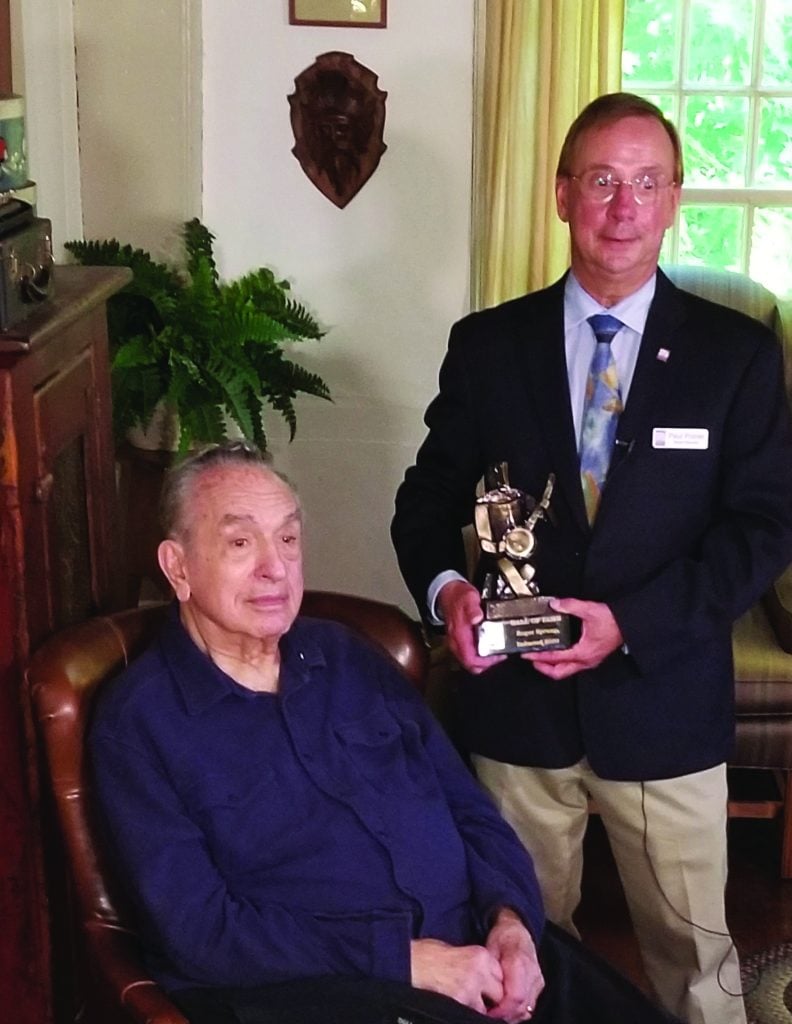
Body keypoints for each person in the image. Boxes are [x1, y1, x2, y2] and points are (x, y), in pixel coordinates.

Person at [391, 92, 792, 1024]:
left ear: (673, 199)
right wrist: (448, 591)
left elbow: (763, 527)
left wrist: (630, 627)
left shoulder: (734, 356)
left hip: (665, 710)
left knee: (698, 969)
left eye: (646, 183)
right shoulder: (488, 347)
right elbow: (426, 500)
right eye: (603, 181)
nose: (624, 205)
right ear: (563, 193)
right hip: (517, 719)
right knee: (524, 952)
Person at [89, 441, 680, 1024]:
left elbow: (469, 810)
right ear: (178, 566)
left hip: (477, 952)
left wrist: (512, 924)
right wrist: (404, 962)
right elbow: (201, 932)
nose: (275, 568)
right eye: (241, 542)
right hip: (326, 991)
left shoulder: (348, 657)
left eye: (289, 539)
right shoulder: (140, 723)